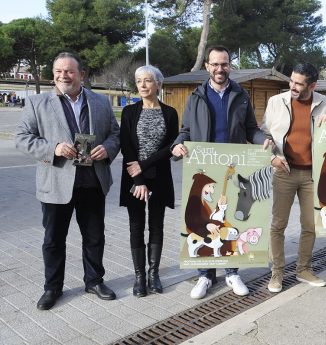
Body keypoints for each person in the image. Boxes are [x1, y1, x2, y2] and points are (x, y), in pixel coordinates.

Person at [15, 52, 120, 310]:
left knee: (95, 236)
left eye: (69, 71)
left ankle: (94, 280)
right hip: (56, 184)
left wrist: (107, 149)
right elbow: (22, 138)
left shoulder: (101, 102)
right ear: (53, 74)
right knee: (53, 240)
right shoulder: (37, 104)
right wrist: (54, 149)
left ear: (81, 74)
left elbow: (115, 134)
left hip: (92, 181)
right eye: (59, 71)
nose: (64, 76)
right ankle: (52, 288)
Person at [171, 45, 268, 299]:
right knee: (204, 220)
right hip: (204, 169)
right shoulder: (196, 97)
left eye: (224, 64)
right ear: (207, 66)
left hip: (232, 169)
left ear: (230, 66)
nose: (219, 69)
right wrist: (178, 144)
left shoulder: (241, 95)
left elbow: (251, 129)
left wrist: (263, 140)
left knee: (228, 219)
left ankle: (232, 272)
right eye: (215, 64)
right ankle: (205, 274)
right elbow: (185, 131)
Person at [262, 62, 326, 293]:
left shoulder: (325, 103)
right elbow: (263, 134)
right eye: (291, 81)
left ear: (312, 85)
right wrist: (270, 157)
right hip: (284, 171)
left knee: (310, 225)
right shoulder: (276, 101)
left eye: (298, 83)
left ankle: (303, 269)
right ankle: (277, 273)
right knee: (278, 224)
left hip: (313, 174)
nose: (292, 86)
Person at [119, 65, 178, 297]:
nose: (142, 85)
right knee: (136, 227)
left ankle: (154, 274)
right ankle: (139, 277)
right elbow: (127, 148)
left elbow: (170, 148)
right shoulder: (129, 113)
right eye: (139, 81)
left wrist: (145, 164)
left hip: (160, 178)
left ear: (158, 85)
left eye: (148, 81)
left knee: (156, 226)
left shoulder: (170, 113)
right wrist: (140, 179)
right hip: (134, 179)